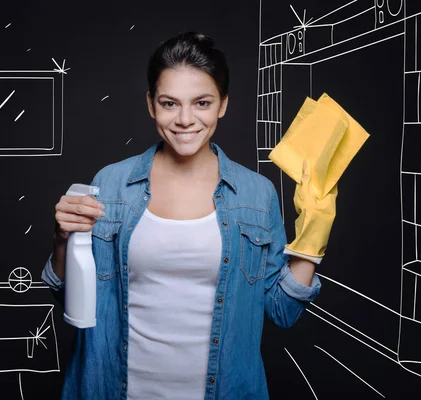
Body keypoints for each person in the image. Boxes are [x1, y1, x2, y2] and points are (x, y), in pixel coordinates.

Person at [42, 31, 331, 399]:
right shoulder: (110, 184)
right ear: (150, 104)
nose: (184, 119)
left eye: (202, 103)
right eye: (169, 103)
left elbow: (281, 310)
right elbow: (68, 294)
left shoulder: (257, 194)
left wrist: (315, 232)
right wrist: (62, 239)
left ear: (223, 104)